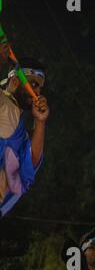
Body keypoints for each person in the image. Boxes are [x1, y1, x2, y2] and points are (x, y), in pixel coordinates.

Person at [0, 44, 50, 217]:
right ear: (15, 80)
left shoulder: (20, 133)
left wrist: (40, 122)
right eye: (34, 84)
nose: (37, 93)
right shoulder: (6, 108)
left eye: (40, 88)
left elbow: (30, 167)